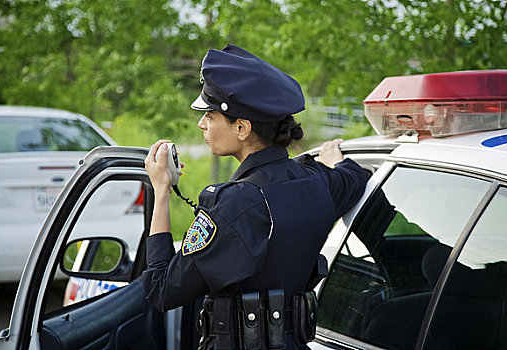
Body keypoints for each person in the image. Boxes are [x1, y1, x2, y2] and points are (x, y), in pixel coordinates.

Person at [142, 44, 370, 349]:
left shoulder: (234, 205)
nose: (201, 124)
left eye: (209, 115)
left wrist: (160, 192)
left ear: (241, 127)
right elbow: (356, 177)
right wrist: (331, 163)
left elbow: (161, 290)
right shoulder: (319, 182)